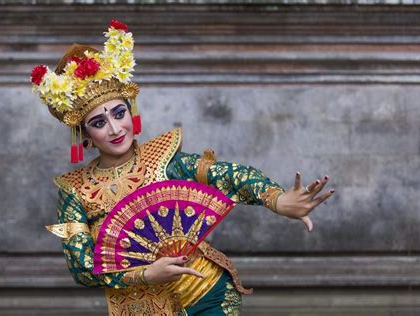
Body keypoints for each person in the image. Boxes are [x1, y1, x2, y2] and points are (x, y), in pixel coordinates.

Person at [32, 19, 335, 316]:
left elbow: (227, 176)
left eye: (119, 113)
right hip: (138, 308)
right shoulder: (75, 191)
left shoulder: (165, 159)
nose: (114, 129)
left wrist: (277, 199)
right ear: (84, 135)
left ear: (130, 111)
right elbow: (83, 268)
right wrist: (145, 276)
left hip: (207, 296)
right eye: (99, 122)